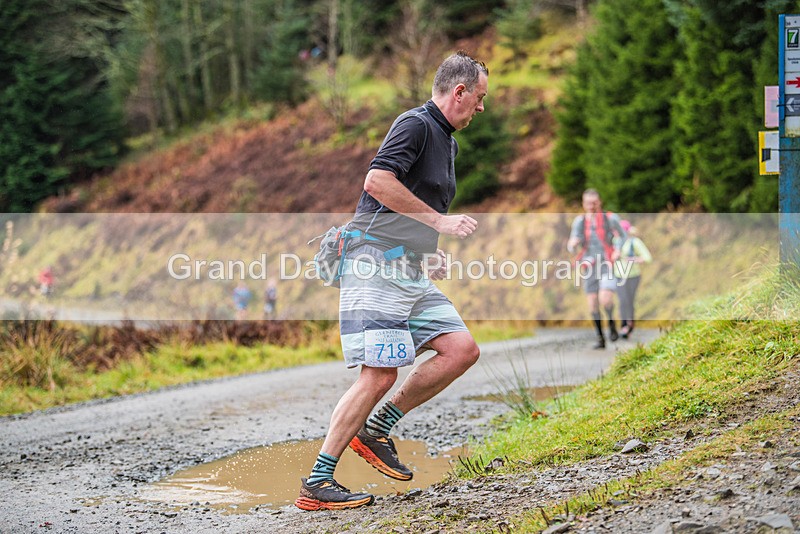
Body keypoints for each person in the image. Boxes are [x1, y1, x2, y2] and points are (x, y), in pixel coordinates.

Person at [295, 51, 487, 511]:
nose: (481, 108)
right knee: (379, 373)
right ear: (458, 91)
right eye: (479, 98)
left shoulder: (448, 142)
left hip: (407, 266)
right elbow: (378, 182)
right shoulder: (416, 124)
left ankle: (376, 430)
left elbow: (415, 206)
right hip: (373, 262)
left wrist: (430, 252)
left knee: (461, 349)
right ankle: (317, 482)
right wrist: (439, 226)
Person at [567, 189, 627, 349]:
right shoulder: (580, 222)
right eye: (588, 203)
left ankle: (612, 323)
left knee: (605, 299)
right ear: (583, 204)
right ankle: (600, 338)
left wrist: (618, 250)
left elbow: (622, 236)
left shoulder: (610, 218)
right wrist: (572, 245)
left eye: (594, 203)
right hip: (589, 265)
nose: (591, 206)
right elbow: (572, 243)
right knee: (593, 304)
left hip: (607, 263)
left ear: (599, 202)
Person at [614, 220, 652, 338]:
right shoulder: (614, 242)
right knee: (622, 300)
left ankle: (630, 325)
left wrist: (634, 259)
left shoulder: (634, 242)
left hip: (633, 276)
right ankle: (624, 325)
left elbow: (647, 258)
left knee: (629, 300)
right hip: (618, 275)